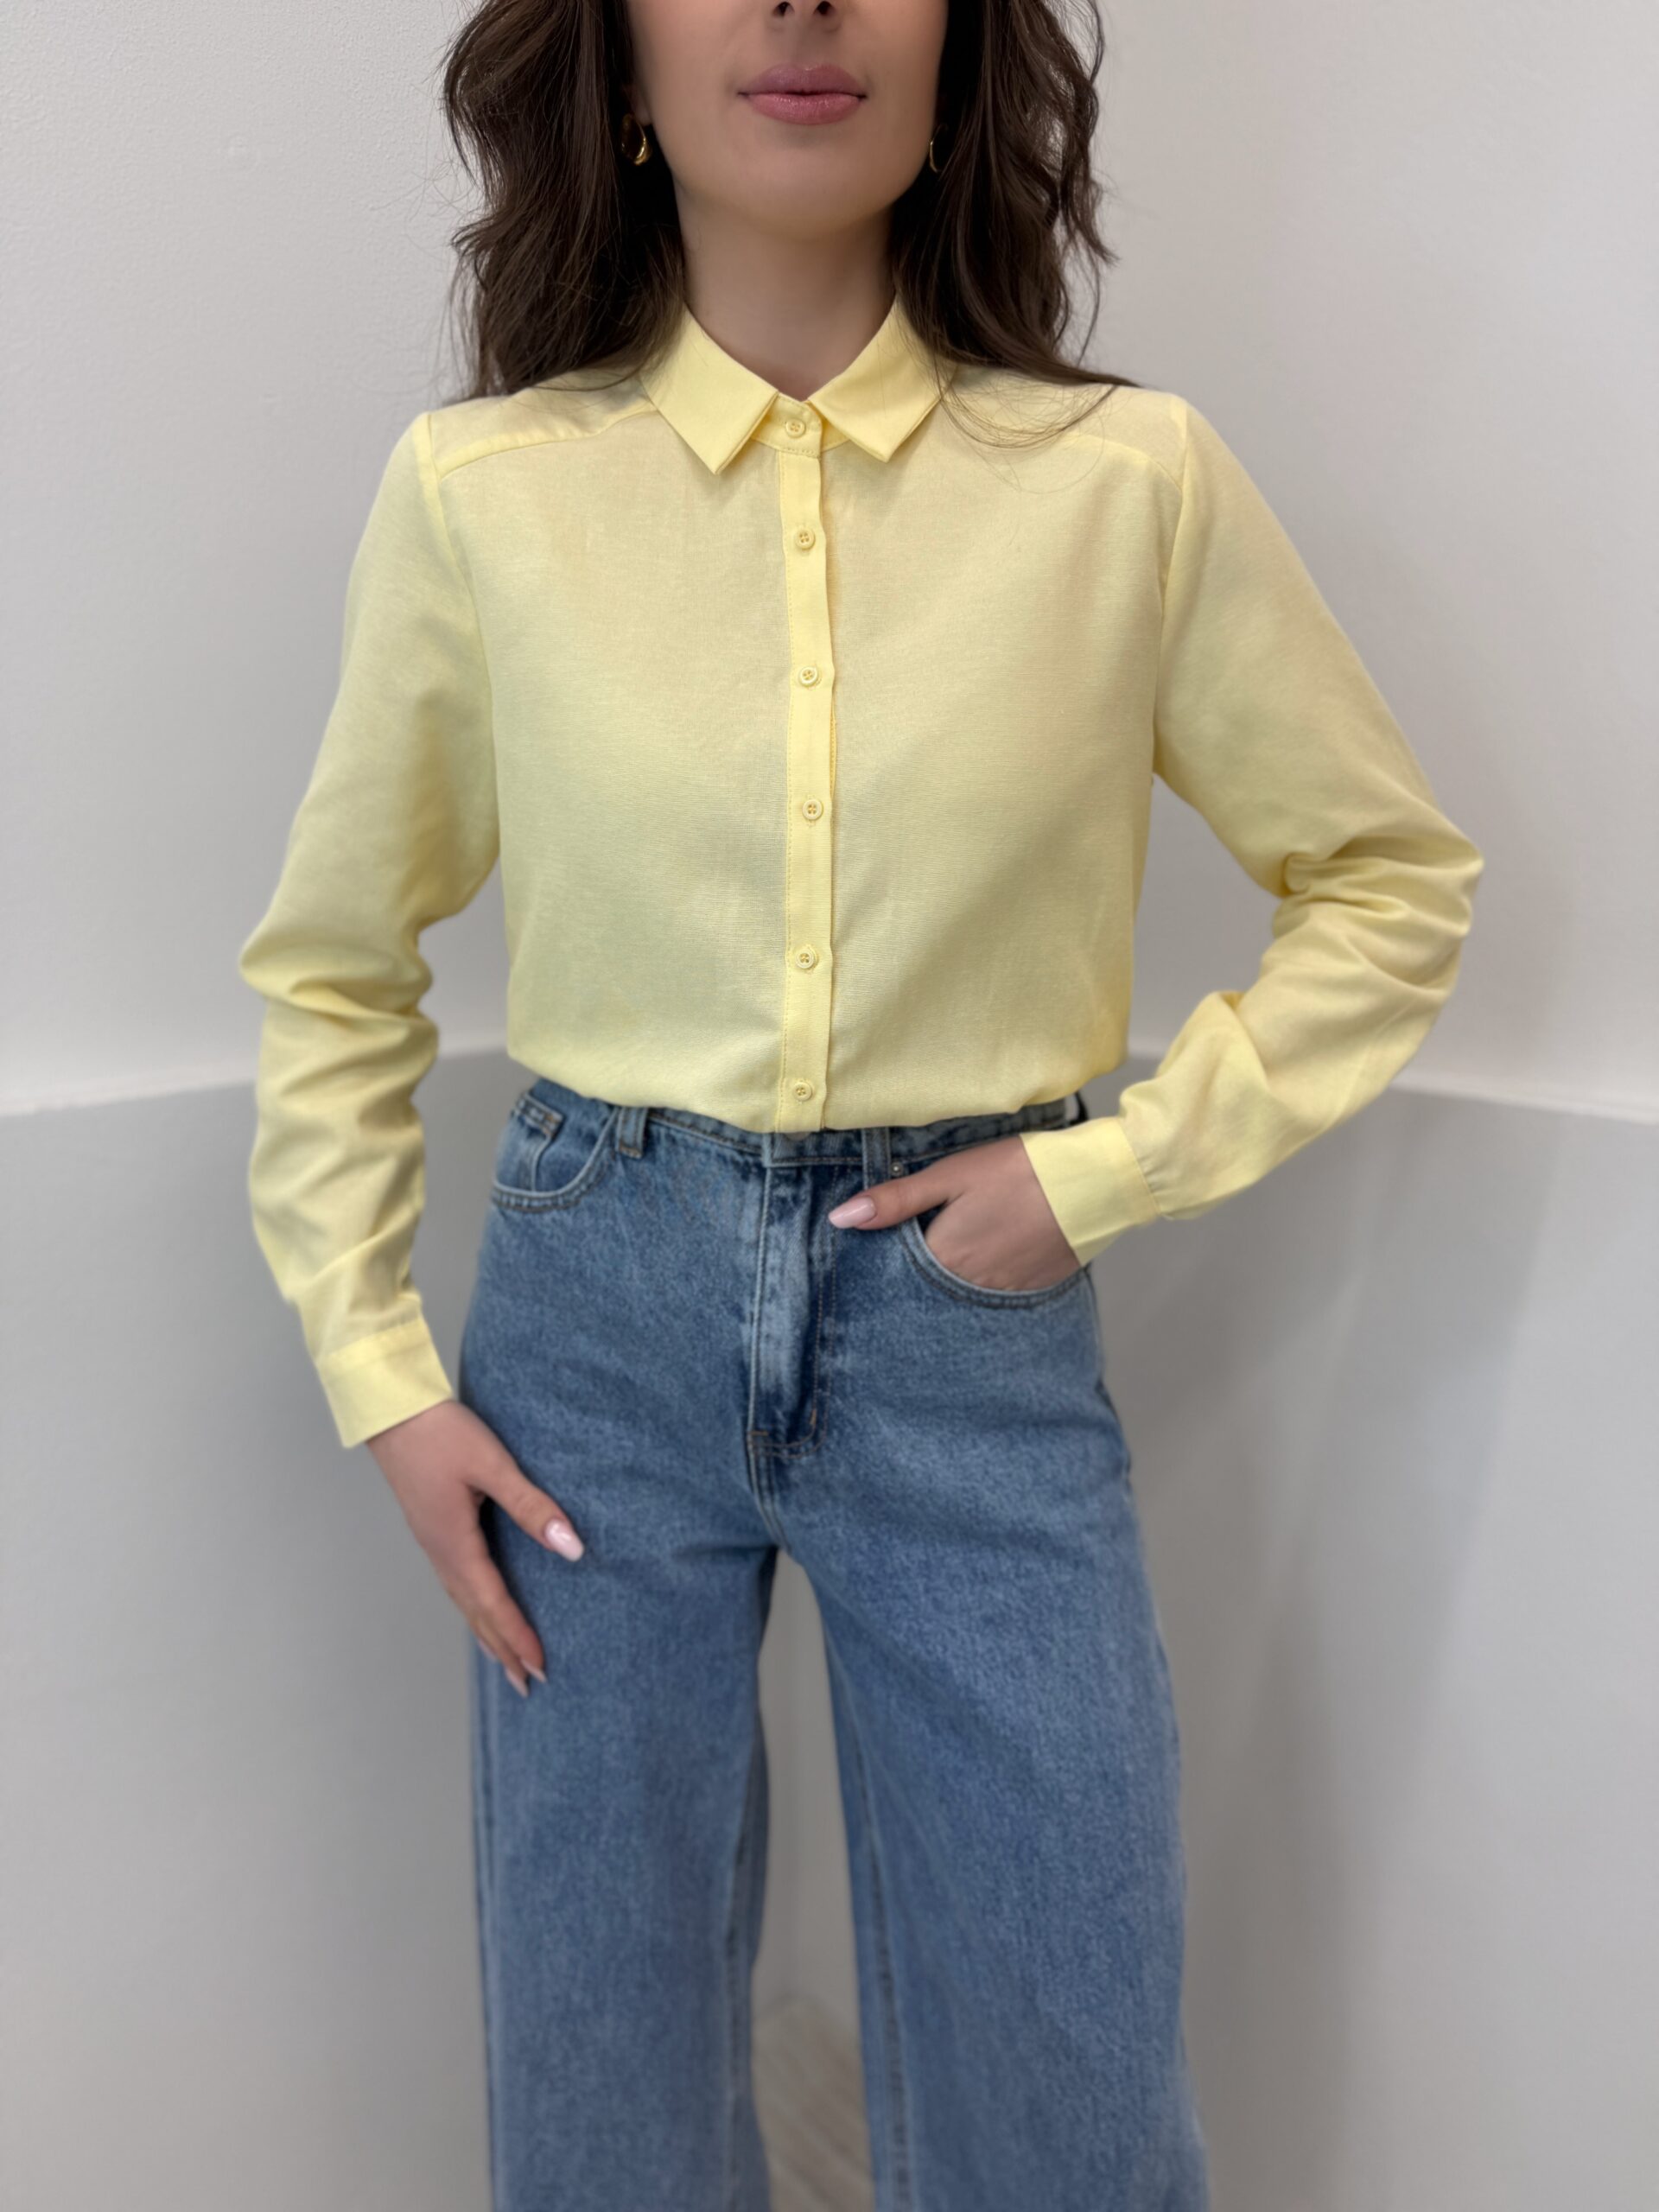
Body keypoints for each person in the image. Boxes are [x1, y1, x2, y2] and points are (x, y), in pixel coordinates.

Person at [236, 3, 1484, 2207]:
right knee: (601, 2078)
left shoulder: (1128, 484)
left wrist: (1107, 1171)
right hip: (586, 1338)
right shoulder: (487, 496)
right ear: (618, 64)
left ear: (965, 53)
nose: (806, 1)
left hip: (972, 1332)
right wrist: (382, 1373)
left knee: (1068, 2081)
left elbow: (1390, 883)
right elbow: (338, 961)